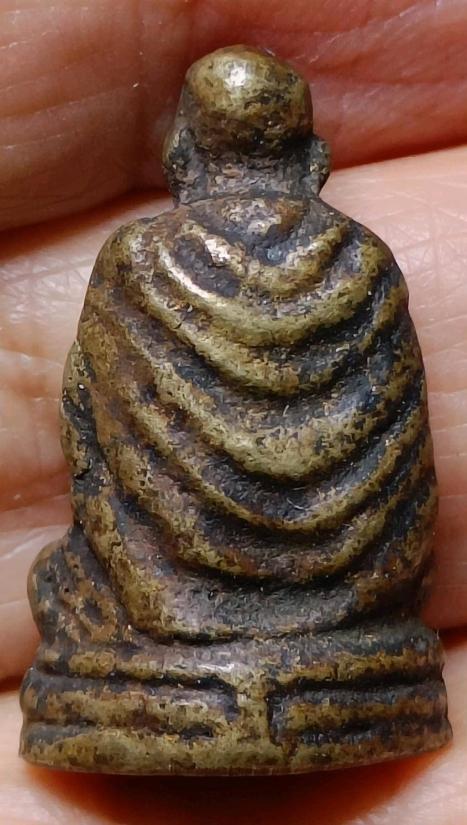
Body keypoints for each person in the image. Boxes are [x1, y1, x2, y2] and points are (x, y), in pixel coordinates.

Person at [1, 1, 466, 822]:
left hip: (162, 619)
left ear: (180, 155)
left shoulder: (137, 260)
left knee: (57, 586)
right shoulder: (363, 261)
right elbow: (408, 477)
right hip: (357, 615)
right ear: (316, 161)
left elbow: (91, 450)